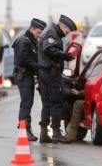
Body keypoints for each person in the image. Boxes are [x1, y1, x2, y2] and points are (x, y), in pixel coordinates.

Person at [37, 14, 77, 144]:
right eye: (67, 30)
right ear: (62, 26)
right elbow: (49, 49)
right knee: (56, 103)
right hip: (51, 74)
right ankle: (56, 133)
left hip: (45, 73)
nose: (67, 33)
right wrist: (65, 56)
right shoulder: (52, 33)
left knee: (47, 104)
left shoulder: (51, 32)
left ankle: (44, 134)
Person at [12, 18, 46, 141]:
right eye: (38, 32)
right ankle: (24, 129)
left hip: (28, 75)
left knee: (28, 102)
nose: (40, 35)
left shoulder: (31, 41)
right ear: (31, 29)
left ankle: (25, 127)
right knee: (26, 102)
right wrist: (39, 69)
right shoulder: (23, 41)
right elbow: (25, 60)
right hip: (23, 75)